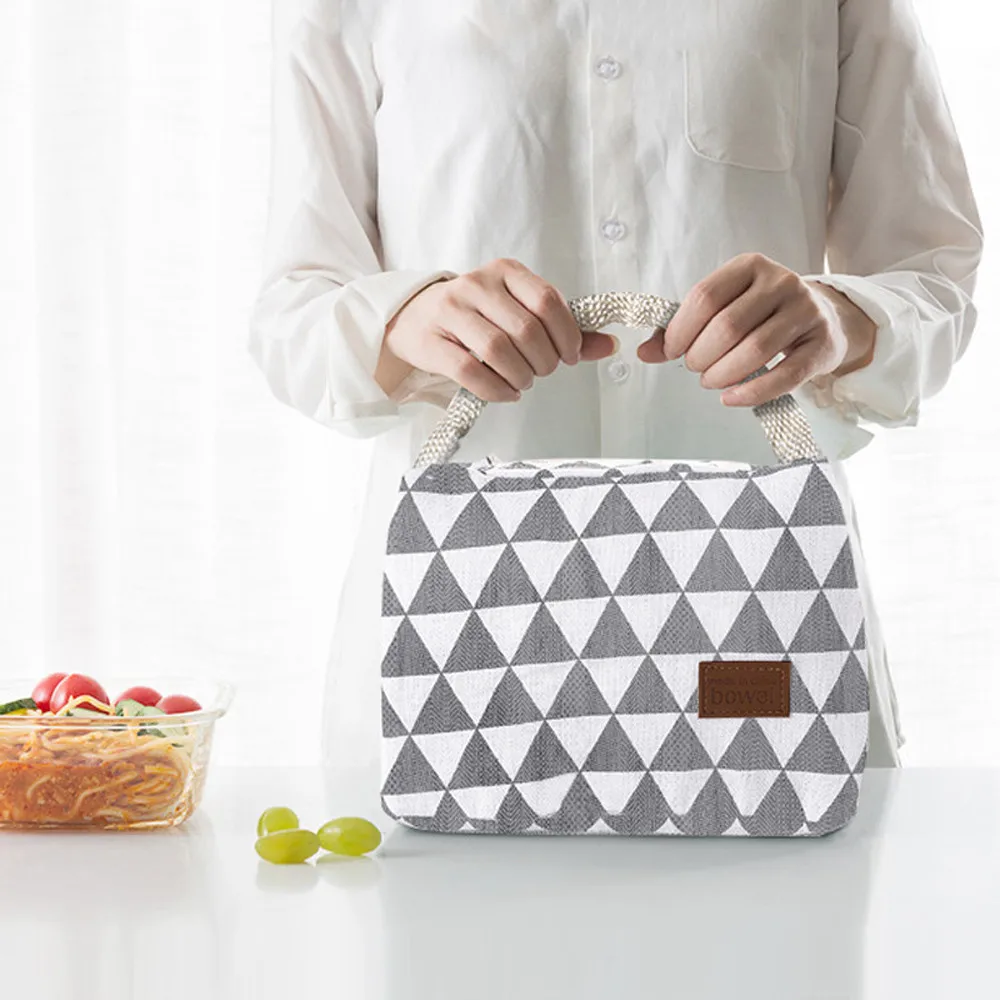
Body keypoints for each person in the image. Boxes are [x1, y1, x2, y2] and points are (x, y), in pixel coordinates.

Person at [250, 0, 982, 775]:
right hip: (463, 641)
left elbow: (932, 274)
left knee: (793, 822)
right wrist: (402, 319)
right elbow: (293, 308)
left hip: (751, 619)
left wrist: (841, 319)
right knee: (435, 837)